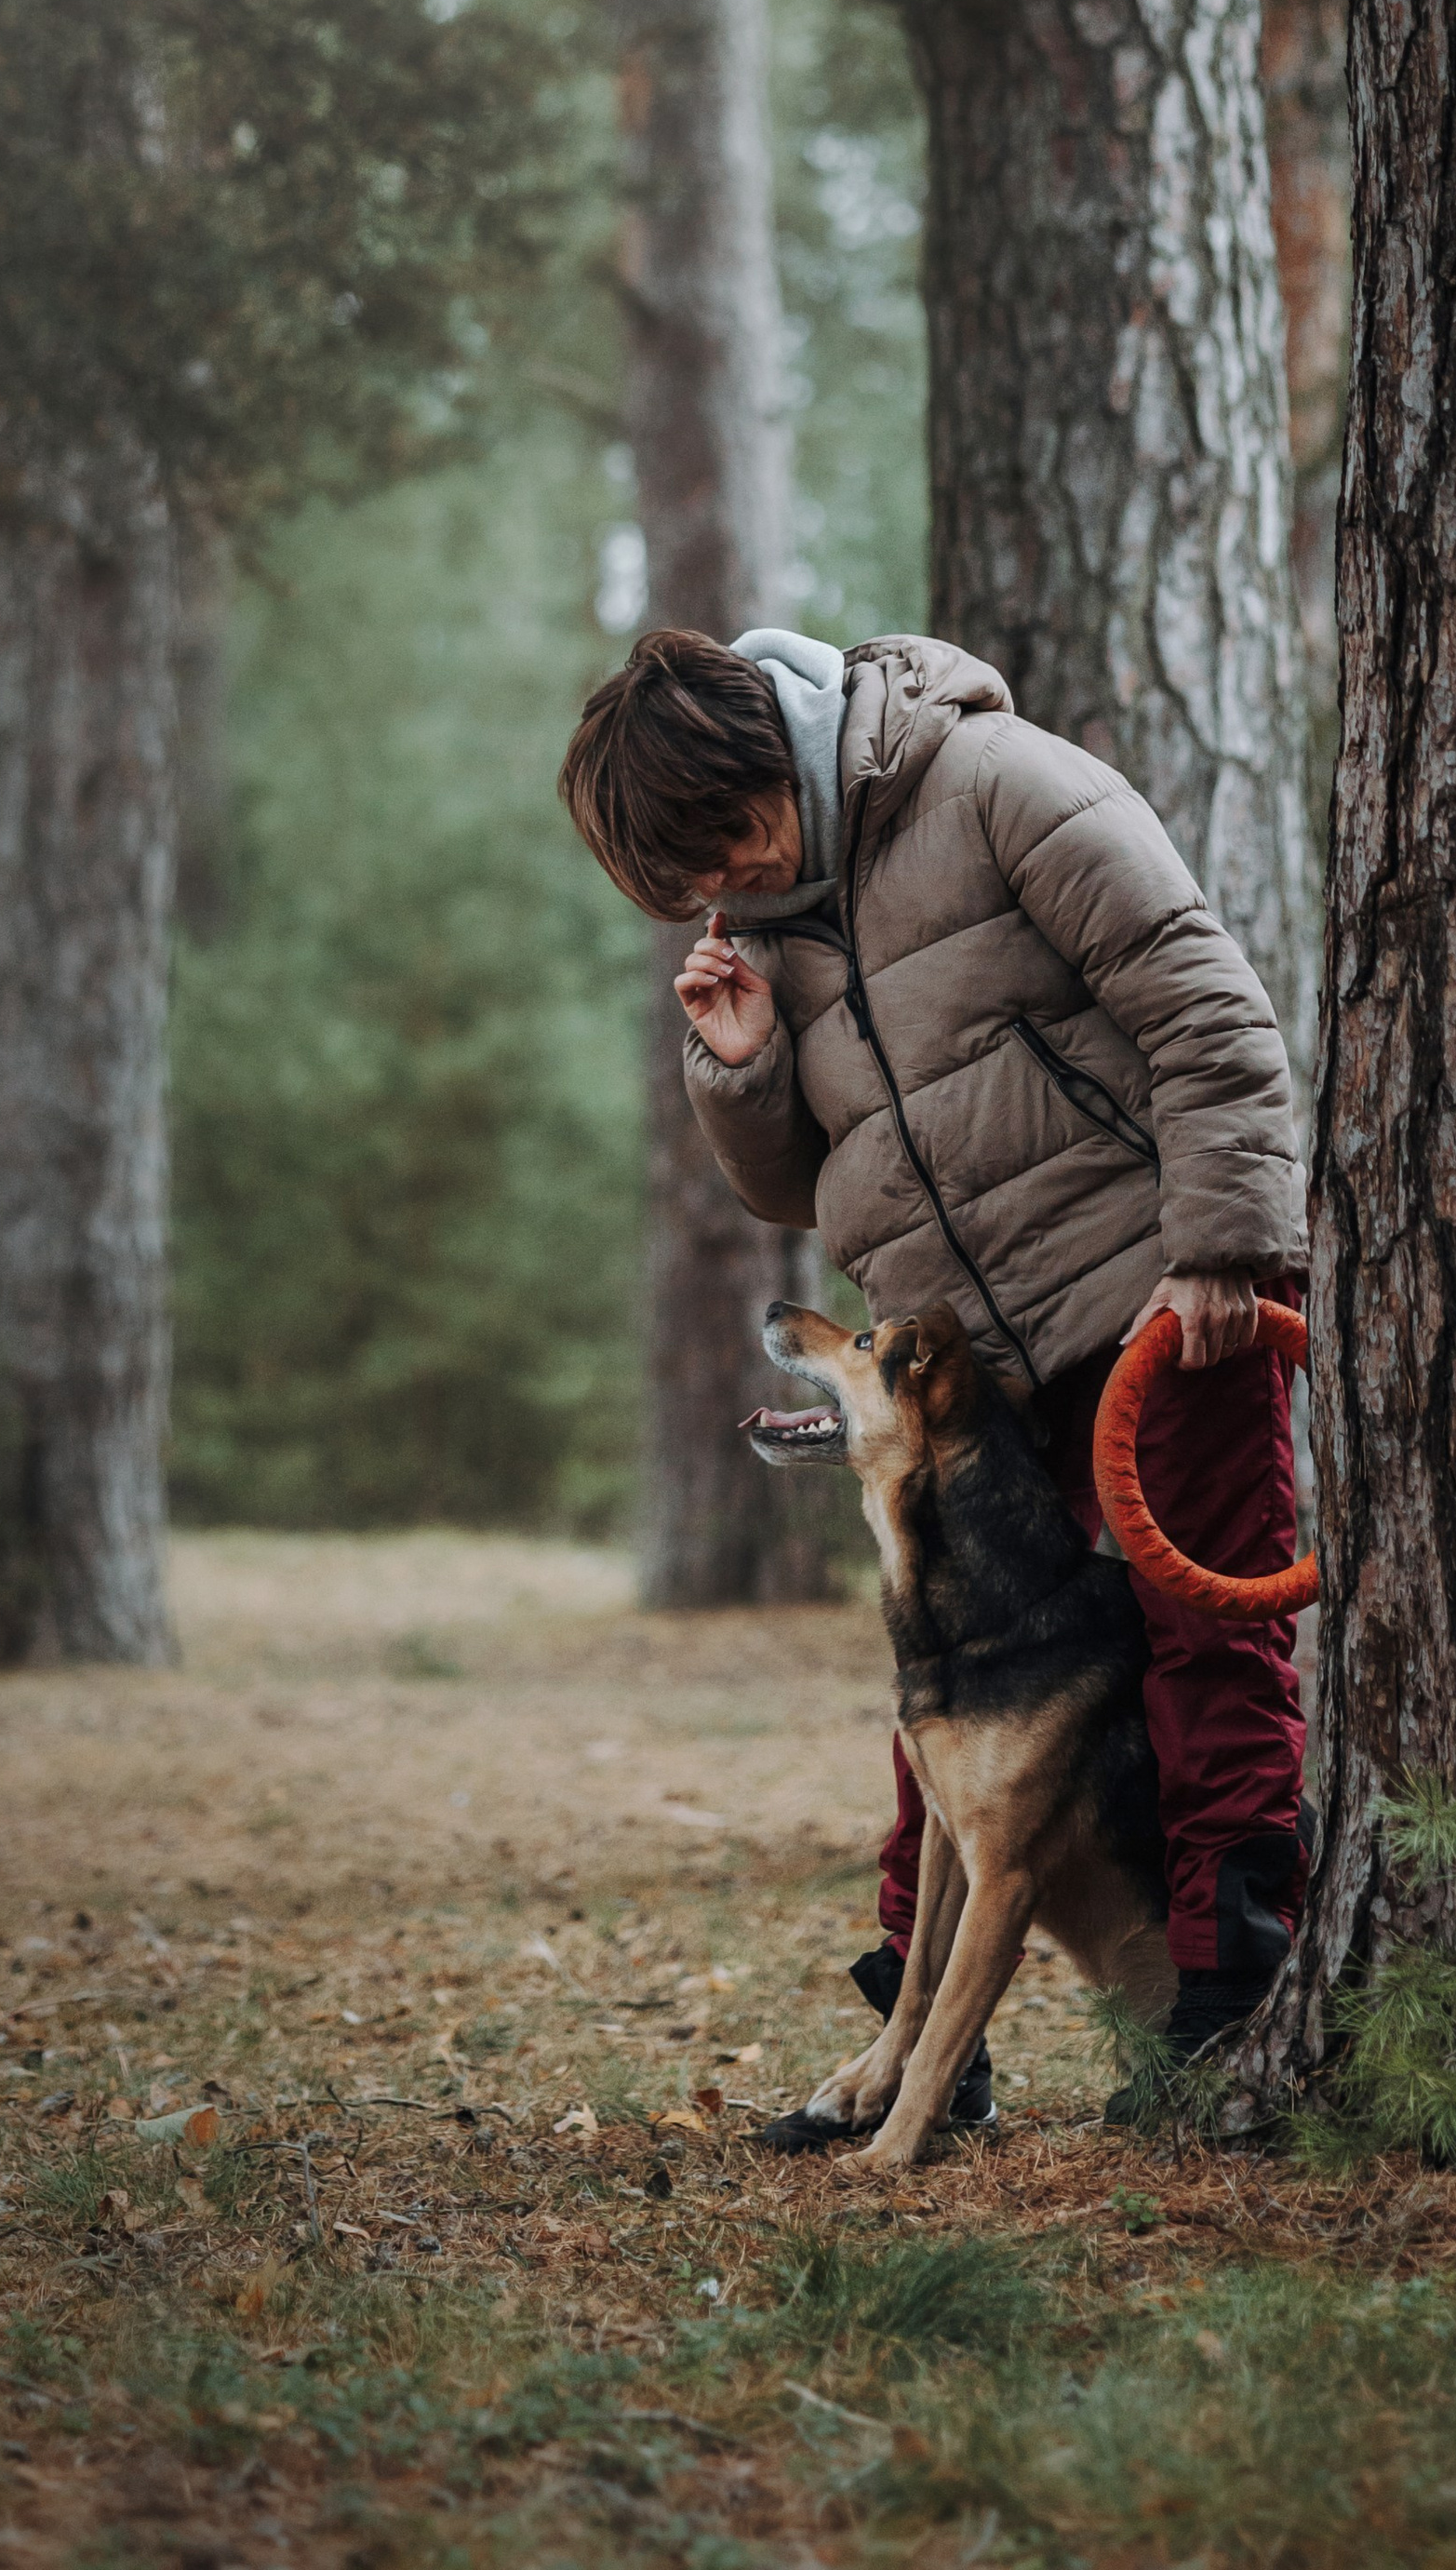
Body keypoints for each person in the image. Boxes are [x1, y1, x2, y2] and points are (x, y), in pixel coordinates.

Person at [559, 622, 1307, 2141]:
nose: (725, 883)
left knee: (1204, 1653)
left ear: (766, 749)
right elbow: (797, 1190)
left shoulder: (997, 783)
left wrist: (1227, 1241)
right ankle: (921, 2045)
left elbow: (1201, 1002)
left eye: (726, 836)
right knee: (947, 1698)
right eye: (688, 875)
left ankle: (1234, 2012)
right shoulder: (766, 925)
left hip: (1154, 1302)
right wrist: (744, 1064)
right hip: (968, 1367)